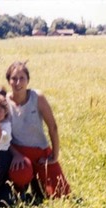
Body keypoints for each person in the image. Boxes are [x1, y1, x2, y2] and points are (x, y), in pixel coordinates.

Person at [5, 61, 71, 200]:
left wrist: (54, 155)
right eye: (14, 78)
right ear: (8, 81)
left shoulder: (37, 97)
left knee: (61, 195)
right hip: (18, 153)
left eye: (22, 78)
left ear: (28, 80)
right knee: (20, 175)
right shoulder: (4, 102)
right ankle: (23, 187)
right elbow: (2, 136)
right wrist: (15, 154)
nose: (18, 82)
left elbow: (52, 127)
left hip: (40, 151)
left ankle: (37, 184)